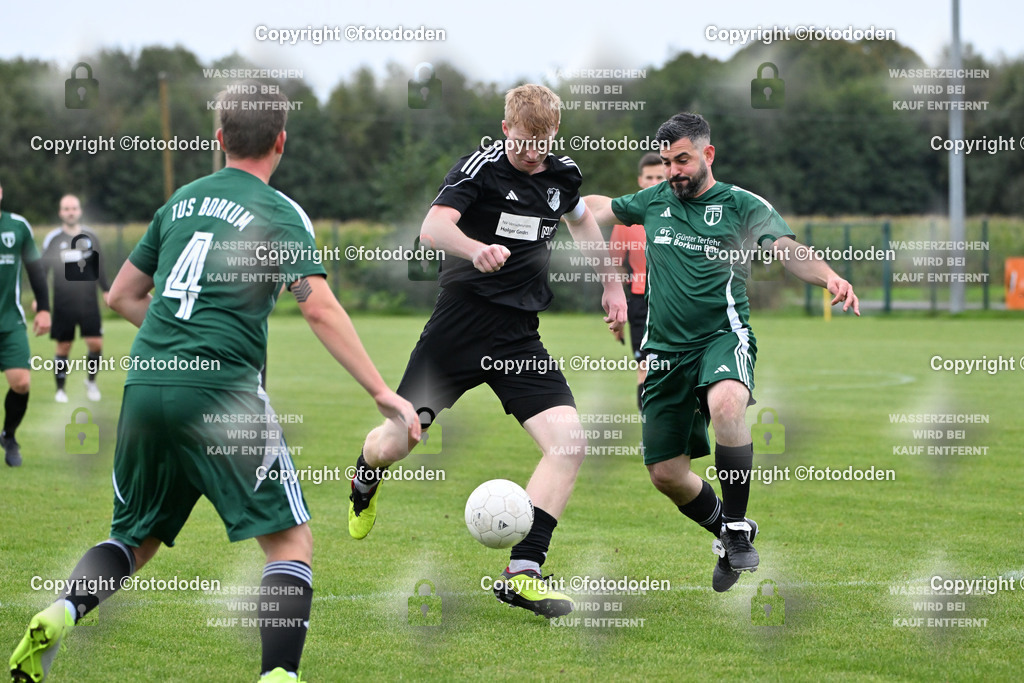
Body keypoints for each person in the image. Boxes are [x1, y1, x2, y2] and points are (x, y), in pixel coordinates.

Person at [8, 84, 420, 683]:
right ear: (281, 141)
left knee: (134, 540)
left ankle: (65, 608)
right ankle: (279, 677)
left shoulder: (179, 203)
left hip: (148, 383)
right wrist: (382, 393)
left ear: (219, 139)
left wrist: (177, 341)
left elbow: (122, 293)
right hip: (222, 393)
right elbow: (318, 306)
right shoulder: (279, 213)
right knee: (289, 546)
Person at [347, 84, 627, 618]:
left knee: (568, 444)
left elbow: (582, 220)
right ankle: (365, 475)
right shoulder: (479, 168)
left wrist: (610, 285)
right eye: (523, 142)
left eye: (542, 143)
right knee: (400, 439)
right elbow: (433, 228)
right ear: (505, 131)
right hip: (457, 332)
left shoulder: (561, 174)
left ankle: (523, 573)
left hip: (518, 336)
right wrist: (476, 250)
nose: (532, 153)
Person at [586, 113, 859, 593]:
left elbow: (786, 249)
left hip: (722, 335)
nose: (674, 171)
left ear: (707, 155)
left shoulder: (742, 204)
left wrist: (830, 277)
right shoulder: (653, 200)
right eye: (668, 161)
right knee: (666, 474)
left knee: (728, 403)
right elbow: (598, 207)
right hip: (663, 350)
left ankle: (735, 524)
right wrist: (556, 198)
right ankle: (730, 533)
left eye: (683, 160)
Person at [0, 180, 51, 467]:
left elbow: (35, 269)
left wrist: (44, 308)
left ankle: (9, 434)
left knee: (21, 383)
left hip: (9, 321)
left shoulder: (17, 226)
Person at [607, 152, 664, 411]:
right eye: (649, 177)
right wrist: (616, 314)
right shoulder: (626, 221)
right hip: (641, 303)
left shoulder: (683, 215)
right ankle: (649, 436)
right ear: (641, 180)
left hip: (676, 304)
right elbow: (614, 268)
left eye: (659, 177)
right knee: (645, 371)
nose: (654, 182)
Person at [40, 194, 110, 403]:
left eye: (74, 208)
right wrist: (40, 298)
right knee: (64, 346)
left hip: (88, 302)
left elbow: (100, 267)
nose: (70, 212)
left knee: (95, 343)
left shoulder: (91, 237)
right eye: (66, 209)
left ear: (79, 211)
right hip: (63, 303)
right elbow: (43, 272)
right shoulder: (54, 240)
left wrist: (106, 290)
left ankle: (91, 381)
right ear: (61, 213)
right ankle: (60, 389)